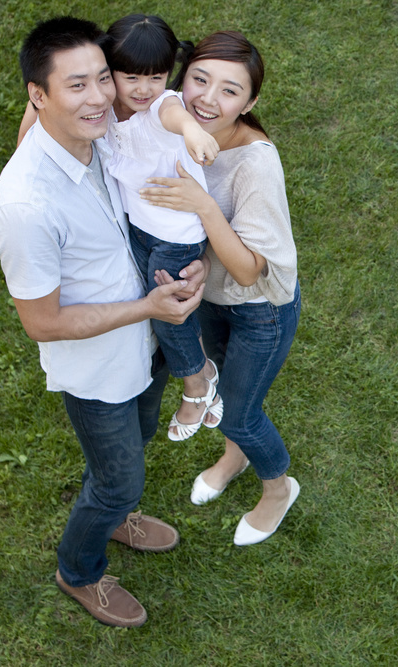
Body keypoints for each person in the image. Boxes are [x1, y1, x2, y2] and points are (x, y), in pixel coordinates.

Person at [0, 16, 207, 628]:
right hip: (97, 368)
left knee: (132, 450)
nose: (103, 98)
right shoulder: (26, 208)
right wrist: (148, 308)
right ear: (39, 94)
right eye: (77, 86)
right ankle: (79, 570)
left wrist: (191, 272)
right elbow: (43, 323)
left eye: (103, 79)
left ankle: (116, 513)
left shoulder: (101, 134)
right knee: (116, 480)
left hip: (143, 344)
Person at [18, 14, 224, 442]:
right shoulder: (95, 119)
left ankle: (196, 378)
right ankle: (198, 372)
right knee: (166, 303)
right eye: (128, 77)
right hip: (139, 248)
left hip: (170, 243)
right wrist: (42, 95)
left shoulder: (159, 108)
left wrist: (192, 131)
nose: (142, 89)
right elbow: (29, 145)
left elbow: (173, 113)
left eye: (156, 77)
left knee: (169, 309)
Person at [140, 31, 302, 546]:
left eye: (230, 91)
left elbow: (252, 270)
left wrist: (203, 206)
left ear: (250, 102)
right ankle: (233, 458)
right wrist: (199, 267)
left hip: (260, 310)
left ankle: (278, 489)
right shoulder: (173, 125)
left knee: (241, 410)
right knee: (227, 392)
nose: (209, 99)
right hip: (213, 297)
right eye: (200, 80)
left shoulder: (256, 164)